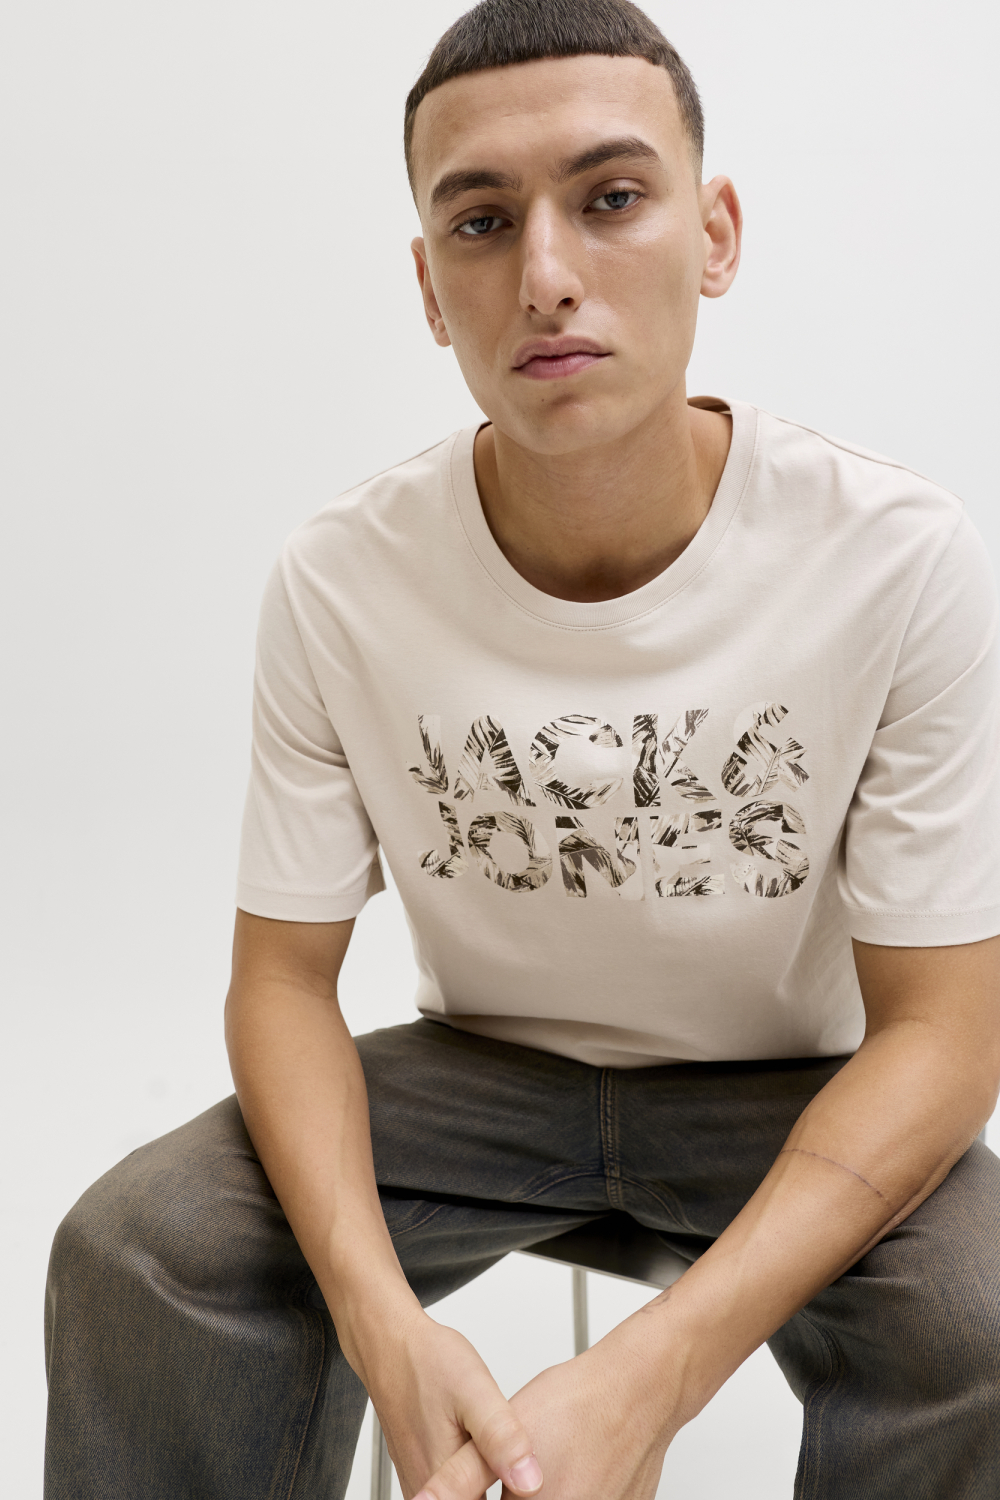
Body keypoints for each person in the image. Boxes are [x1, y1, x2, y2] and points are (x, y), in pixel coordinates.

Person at [43, 1, 1000, 1496]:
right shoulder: (343, 580)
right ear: (431, 287)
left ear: (715, 235)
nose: (546, 275)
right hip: (474, 1082)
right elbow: (281, 981)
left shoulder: (894, 558)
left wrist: (657, 1374)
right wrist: (383, 1328)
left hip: (786, 1093)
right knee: (141, 1249)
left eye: (610, 198)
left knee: (981, 1323)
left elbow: (946, 1032)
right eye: (482, 223)